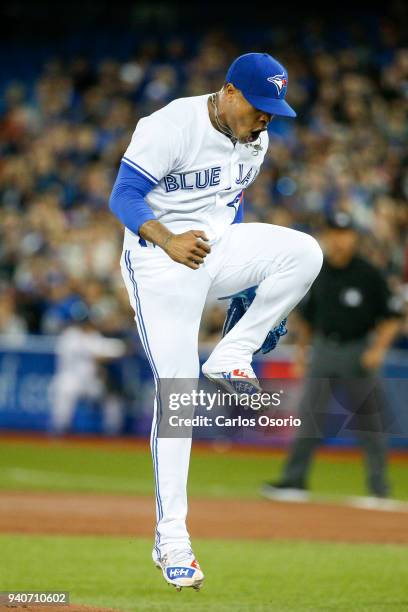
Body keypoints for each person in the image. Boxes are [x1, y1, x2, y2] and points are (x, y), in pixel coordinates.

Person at [109, 52, 323, 591]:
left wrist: (248, 282)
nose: (266, 118)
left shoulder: (256, 138)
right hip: (158, 257)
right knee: (177, 395)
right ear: (229, 91)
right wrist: (167, 238)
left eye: (273, 109)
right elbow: (124, 195)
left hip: (213, 246)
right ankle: (172, 537)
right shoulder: (169, 125)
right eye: (258, 105)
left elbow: (232, 209)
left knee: (303, 252)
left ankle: (233, 352)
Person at [262, 212, 401, 502]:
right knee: (309, 418)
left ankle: (379, 488)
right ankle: (293, 481)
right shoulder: (318, 272)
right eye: (334, 233)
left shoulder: (368, 273)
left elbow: (393, 317)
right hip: (323, 350)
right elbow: (307, 319)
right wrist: (301, 353)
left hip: (357, 351)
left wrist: (377, 350)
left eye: (344, 233)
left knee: (370, 423)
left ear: (354, 237)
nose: (339, 239)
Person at [50, 305, 126, 435]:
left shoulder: (94, 336)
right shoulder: (69, 336)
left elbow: (118, 348)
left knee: (112, 397)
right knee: (64, 393)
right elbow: (97, 353)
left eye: (85, 320)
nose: (83, 324)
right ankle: (60, 431)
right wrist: (107, 354)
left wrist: (120, 348)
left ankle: (112, 432)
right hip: (70, 379)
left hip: (90, 381)